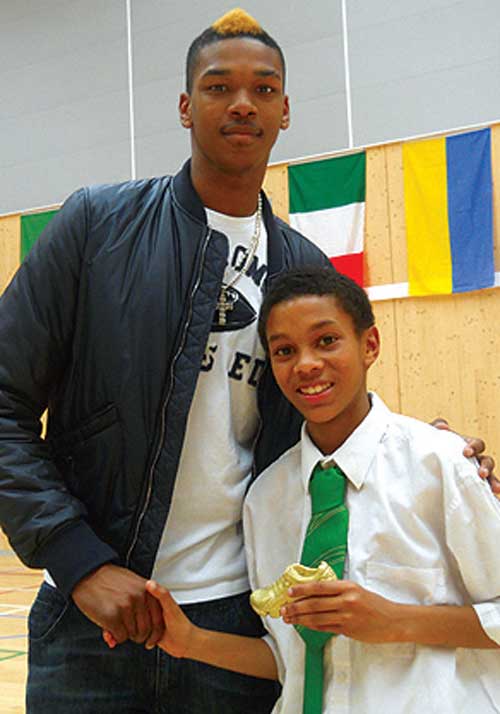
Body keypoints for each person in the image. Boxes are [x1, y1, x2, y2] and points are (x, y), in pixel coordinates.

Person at [0, 8, 495, 714]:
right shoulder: (95, 228)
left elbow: (330, 423)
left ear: (286, 110)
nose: (241, 102)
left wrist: (433, 449)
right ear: (183, 104)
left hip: (237, 624)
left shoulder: (306, 269)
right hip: (92, 623)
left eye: (263, 89)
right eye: (217, 86)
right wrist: (80, 562)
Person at [146, 265, 500, 713]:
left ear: (369, 345)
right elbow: (292, 660)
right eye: (284, 350)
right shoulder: (266, 499)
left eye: (326, 341)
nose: (306, 364)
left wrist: (394, 622)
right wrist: (191, 641)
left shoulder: (442, 464)